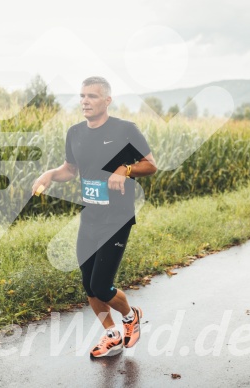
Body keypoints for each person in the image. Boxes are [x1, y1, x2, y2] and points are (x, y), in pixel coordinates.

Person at [32, 76, 157, 358]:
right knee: (88, 285)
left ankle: (130, 316)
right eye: (82, 96)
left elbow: (150, 165)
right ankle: (111, 335)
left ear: (107, 100)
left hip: (117, 218)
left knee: (102, 285)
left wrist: (124, 170)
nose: (85, 101)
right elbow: (70, 170)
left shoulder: (126, 129)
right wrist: (51, 174)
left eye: (92, 96)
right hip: (90, 217)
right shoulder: (75, 132)